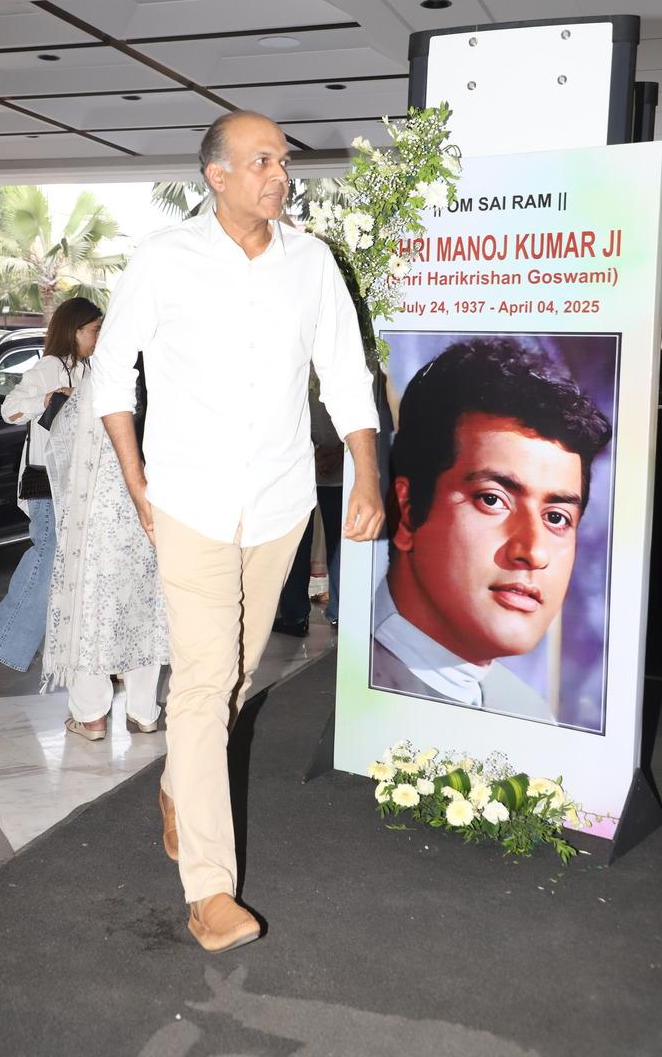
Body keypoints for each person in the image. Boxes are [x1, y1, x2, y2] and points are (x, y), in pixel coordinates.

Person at [93, 109, 382, 952]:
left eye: (283, 161)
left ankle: (181, 787)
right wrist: (136, 480)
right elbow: (111, 372)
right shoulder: (164, 258)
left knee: (234, 680)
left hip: (281, 504)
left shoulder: (312, 263)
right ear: (216, 176)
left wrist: (367, 472)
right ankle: (210, 891)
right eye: (262, 161)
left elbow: (344, 373)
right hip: (191, 502)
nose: (280, 175)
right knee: (202, 681)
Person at [371, 336, 612, 721]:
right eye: (492, 499)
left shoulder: (531, 716)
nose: (533, 552)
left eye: (556, 517)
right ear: (408, 510)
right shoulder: (364, 681)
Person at [0, 297, 102, 694]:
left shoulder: (92, 368)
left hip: (79, 484)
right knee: (46, 563)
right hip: (46, 482)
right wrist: (50, 398)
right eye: (94, 330)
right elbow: (10, 410)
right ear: (74, 330)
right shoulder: (50, 366)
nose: (99, 337)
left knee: (70, 570)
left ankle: (91, 661)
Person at [41, 367, 169, 738]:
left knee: (90, 606)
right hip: (155, 504)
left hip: (99, 509)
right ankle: (144, 711)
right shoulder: (165, 368)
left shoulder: (108, 371)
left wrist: (63, 402)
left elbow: (64, 435)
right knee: (146, 603)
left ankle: (91, 715)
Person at [274, 377, 344, 636]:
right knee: (300, 540)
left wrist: (336, 453)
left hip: (334, 462)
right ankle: (299, 614)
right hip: (303, 461)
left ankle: (330, 613)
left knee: (339, 541)